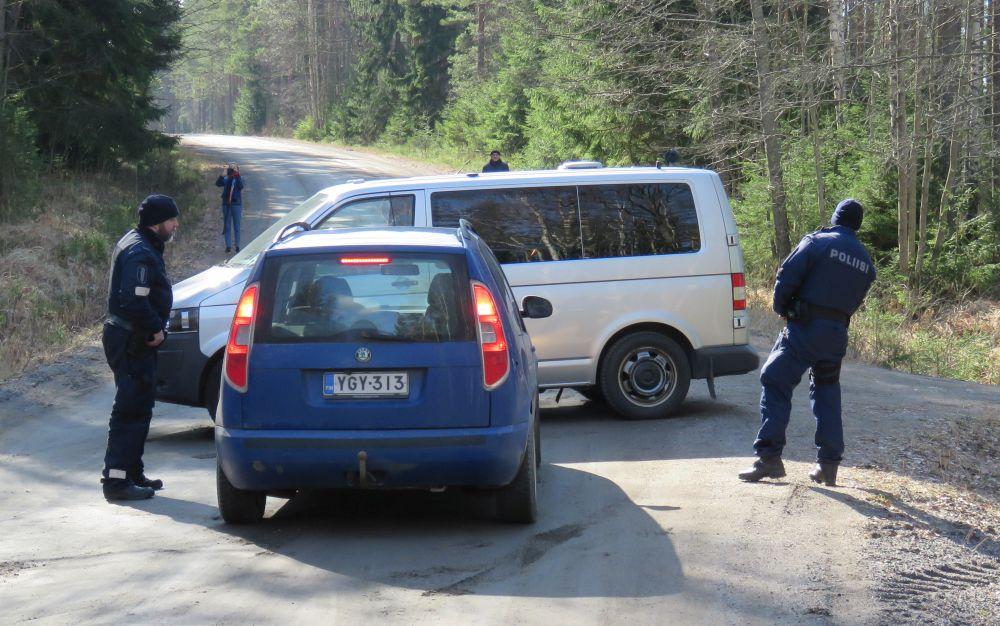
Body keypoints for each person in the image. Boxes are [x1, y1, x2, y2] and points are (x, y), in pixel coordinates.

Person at [738, 199, 876, 487]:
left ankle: (769, 458)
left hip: (805, 328)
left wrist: (782, 308)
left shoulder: (817, 242)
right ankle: (828, 466)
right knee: (827, 392)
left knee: (775, 380)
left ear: (836, 217)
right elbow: (855, 301)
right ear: (857, 225)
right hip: (836, 334)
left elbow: (785, 277)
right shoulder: (866, 262)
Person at [101, 194, 180, 501]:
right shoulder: (140, 253)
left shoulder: (139, 242)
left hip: (131, 337)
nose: (175, 225)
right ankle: (117, 480)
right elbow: (133, 300)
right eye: (172, 220)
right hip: (131, 339)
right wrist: (155, 327)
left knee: (141, 406)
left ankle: (132, 472)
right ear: (158, 223)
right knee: (130, 409)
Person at [216, 163, 244, 253]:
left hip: (236, 204)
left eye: (235, 168)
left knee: (237, 226)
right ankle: (228, 246)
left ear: (238, 170)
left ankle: (237, 246)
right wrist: (223, 174)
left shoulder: (240, 178)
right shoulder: (226, 178)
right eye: (231, 168)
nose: (232, 170)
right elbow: (218, 184)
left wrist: (237, 174)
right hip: (226, 204)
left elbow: (241, 186)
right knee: (227, 226)